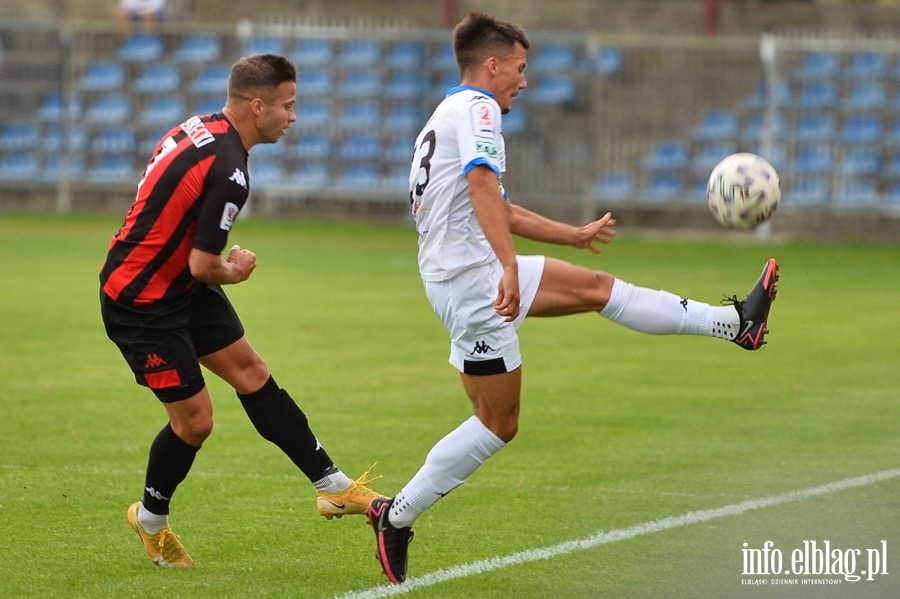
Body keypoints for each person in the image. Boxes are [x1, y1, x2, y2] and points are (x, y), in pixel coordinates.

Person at [366, 12, 779, 584]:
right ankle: (397, 516)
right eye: (520, 67)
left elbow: (495, 204)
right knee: (496, 422)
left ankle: (736, 324)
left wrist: (573, 235)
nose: (525, 80)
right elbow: (484, 188)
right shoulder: (479, 108)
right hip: (473, 281)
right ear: (492, 65)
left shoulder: (448, 112)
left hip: (471, 270)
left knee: (599, 289)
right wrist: (508, 266)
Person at [100, 53, 384, 569]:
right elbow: (206, 263)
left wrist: (205, 263)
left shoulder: (199, 127)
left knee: (252, 372)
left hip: (176, 284)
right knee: (196, 423)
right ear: (258, 106)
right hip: (141, 301)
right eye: (288, 105)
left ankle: (333, 487)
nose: (293, 117)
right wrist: (236, 268)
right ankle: (151, 520)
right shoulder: (231, 170)